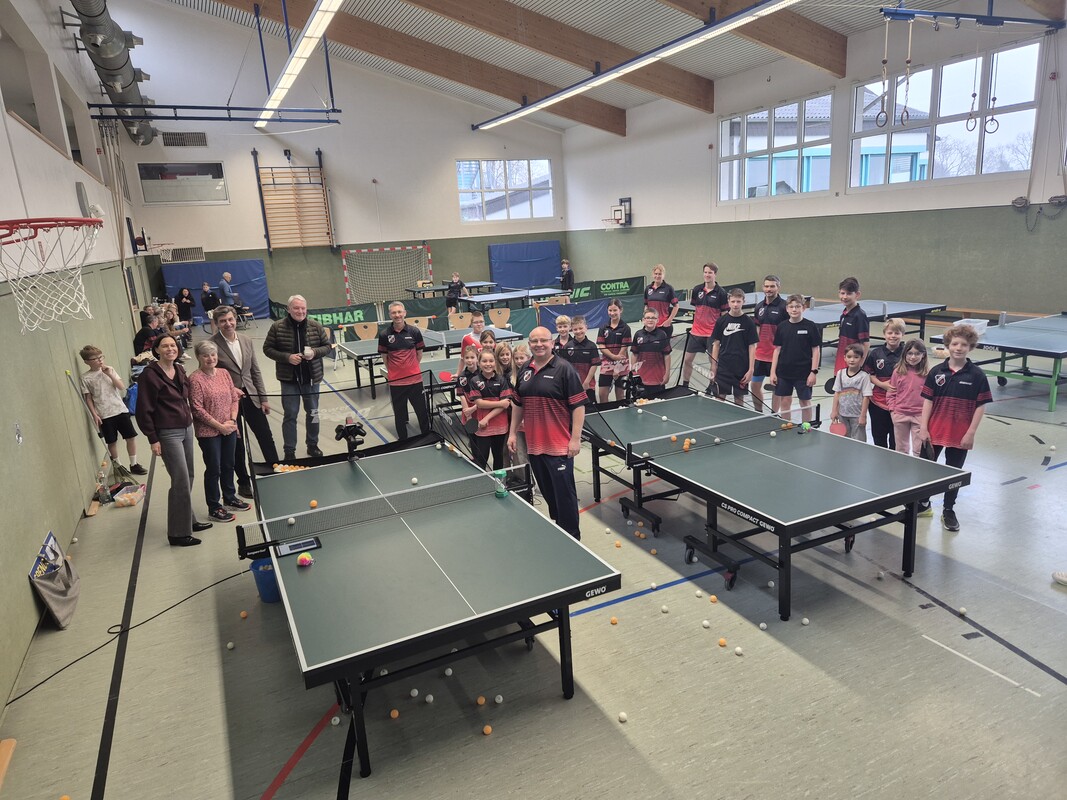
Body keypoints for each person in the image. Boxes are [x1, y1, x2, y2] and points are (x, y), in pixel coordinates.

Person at [508, 327, 586, 540]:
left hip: (559, 446)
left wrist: (575, 439)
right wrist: (512, 433)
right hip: (534, 446)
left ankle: (572, 539)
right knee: (549, 493)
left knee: (565, 496)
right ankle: (560, 530)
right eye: (534, 341)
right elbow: (517, 404)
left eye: (543, 340)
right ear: (529, 344)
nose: (539, 344)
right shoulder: (525, 369)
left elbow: (579, 406)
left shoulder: (564, 369)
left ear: (552, 343)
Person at [134, 335, 212, 547]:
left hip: (186, 428)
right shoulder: (149, 375)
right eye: (165, 346)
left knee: (189, 475)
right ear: (156, 350)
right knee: (180, 479)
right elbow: (143, 410)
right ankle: (178, 533)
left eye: (173, 345)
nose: (170, 348)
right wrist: (153, 438)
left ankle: (188, 519)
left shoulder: (179, 369)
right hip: (168, 433)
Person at [918, 324, 991, 532]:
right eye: (955, 344)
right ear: (948, 346)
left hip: (960, 435)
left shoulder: (977, 375)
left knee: (953, 476)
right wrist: (923, 428)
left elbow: (980, 406)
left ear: (971, 347)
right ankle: (923, 503)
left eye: (964, 345)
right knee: (926, 469)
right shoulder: (936, 372)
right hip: (933, 432)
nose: (959, 348)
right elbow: (928, 401)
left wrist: (971, 433)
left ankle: (948, 510)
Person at [211, 305, 280, 496]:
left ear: (235, 319)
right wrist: (229, 389)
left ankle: (275, 469)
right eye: (223, 321)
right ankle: (243, 482)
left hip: (251, 395)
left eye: (230, 319)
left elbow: (255, 371)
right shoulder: (211, 345)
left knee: (265, 435)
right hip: (228, 401)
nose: (228, 323)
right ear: (217, 324)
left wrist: (263, 398)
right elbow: (211, 376)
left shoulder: (246, 340)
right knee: (236, 443)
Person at [263, 294, 331, 460]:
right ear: (288, 309)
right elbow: (267, 349)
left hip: (311, 379)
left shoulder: (315, 326)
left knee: (313, 413)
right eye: (296, 308)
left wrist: (314, 352)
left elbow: (327, 346)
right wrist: (287, 357)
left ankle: (312, 445)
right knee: (290, 415)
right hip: (289, 380)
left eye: (303, 308)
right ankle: (289, 451)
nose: (300, 311)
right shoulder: (277, 327)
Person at [189, 340, 249, 523]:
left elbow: (234, 397)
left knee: (229, 464)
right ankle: (214, 507)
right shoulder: (195, 379)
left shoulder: (224, 373)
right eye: (205, 355)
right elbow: (197, 409)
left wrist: (232, 420)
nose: (210, 358)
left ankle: (229, 497)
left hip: (229, 427)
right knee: (214, 468)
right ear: (198, 357)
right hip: (209, 432)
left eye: (213, 354)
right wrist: (220, 426)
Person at [78, 345, 148, 476]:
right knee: (112, 441)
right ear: (87, 362)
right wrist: (94, 414)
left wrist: (110, 374)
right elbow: (88, 398)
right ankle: (118, 467)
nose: (100, 360)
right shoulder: (85, 378)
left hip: (120, 409)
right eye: (95, 359)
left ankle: (134, 464)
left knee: (130, 437)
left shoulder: (110, 370)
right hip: (104, 413)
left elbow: (121, 386)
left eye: (101, 357)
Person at [379, 301, 429, 440]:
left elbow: (419, 354)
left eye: (399, 312)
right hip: (396, 382)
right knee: (400, 415)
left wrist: (411, 368)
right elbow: (385, 357)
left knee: (422, 412)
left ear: (404, 313)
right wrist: (395, 372)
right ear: (390, 315)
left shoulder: (414, 332)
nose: (397, 315)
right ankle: (403, 441)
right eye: (394, 312)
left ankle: (426, 437)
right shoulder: (384, 334)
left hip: (415, 380)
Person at [768, 294, 821, 423]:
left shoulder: (810, 326)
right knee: (785, 401)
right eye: (791, 307)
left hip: (803, 373)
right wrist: (773, 372)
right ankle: (787, 426)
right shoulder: (782, 326)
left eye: (797, 306)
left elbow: (816, 350)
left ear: (803, 308)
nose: (794, 309)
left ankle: (806, 427)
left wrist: (813, 372)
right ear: (787, 309)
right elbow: (777, 350)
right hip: (784, 372)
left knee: (805, 402)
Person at [682, 263, 728, 388]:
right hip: (696, 332)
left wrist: (721, 334)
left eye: (710, 273)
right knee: (687, 360)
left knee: (713, 362)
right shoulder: (697, 289)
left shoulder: (721, 293)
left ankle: (712, 385)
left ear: (715, 274)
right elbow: (696, 309)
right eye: (705, 272)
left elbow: (724, 314)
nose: (707, 275)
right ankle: (685, 384)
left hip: (712, 333)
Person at [710, 289, 758, 405]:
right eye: (733, 301)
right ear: (728, 302)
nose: (735, 304)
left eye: (738, 301)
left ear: (743, 301)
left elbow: (752, 346)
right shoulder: (721, 321)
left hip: (742, 367)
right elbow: (716, 344)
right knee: (719, 398)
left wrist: (751, 369)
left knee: (739, 399)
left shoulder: (749, 322)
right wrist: (713, 365)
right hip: (724, 366)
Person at [468, 347, 513, 470]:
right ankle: (482, 480)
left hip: (499, 426)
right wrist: (500, 403)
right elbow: (479, 403)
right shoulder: (475, 381)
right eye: (484, 361)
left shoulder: (501, 380)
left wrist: (486, 418)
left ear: (495, 362)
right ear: (479, 363)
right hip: (482, 427)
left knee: (498, 456)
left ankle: (498, 480)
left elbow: (505, 405)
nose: (488, 364)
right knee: (482, 457)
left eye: (491, 361)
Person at [864, 318, 905, 449]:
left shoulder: (907, 353)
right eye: (890, 333)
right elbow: (870, 375)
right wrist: (882, 385)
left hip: (900, 404)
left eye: (897, 333)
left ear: (902, 334)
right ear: (884, 334)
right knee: (879, 437)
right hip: (878, 402)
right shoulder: (875, 353)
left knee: (896, 439)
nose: (893, 336)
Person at [751, 275, 787, 413]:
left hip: (777, 355)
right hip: (760, 354)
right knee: (754, 385)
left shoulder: (784, 307)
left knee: (776, 387)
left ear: (778, 287)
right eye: (766, 286)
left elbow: (787, 330)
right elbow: (757, 328)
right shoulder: (759, 306)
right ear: (763, 287)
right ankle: (758, 412)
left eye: (772, 286)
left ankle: (774, 414)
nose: (769, 289)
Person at [888, 339, 929, 457]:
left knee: (919, 449)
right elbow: (891, 393)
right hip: (900, 414)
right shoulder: (898, 371)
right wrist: (893, 411)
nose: (913, 357)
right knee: (901, 449)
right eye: (910, 353)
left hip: (920, 416)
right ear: (904, 354)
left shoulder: (928, 374)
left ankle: (917, 468)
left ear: (923, 355)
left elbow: (931, 398)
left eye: (917, 354)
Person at [831, 343, 872, 442]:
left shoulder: (864, 376)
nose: (852, 360)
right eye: (849, 357)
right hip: (842, 414)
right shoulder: (840, 373)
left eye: (856, 357)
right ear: (844, 358)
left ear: (862, 359)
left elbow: (866, 397)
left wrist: (863, 416)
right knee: (844, 441)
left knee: (858, 442)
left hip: (857, 415)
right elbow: (837, 393)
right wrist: (834, 411)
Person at [630, 307, 673, 397]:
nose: (650, 320)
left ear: (657, 320)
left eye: (653, 318)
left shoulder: (662, 335)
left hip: (658, 379)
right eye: (648, 318)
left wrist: (667, 373)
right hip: (641, 379)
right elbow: (634, 354)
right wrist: (633, 371)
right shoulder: (638, 334)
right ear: (643, 320)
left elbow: (667, 355)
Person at [559, 315, 601, 403]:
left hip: (588, 385)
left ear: (586, 328)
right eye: (575, 329)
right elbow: (565, 366)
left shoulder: (592, 346)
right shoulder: (567, 346)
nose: (578, 331)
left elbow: (594, 365)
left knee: (591, 409)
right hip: (573, 386)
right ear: (572, 329)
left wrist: (586, 382)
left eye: (581, 328)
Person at [597, 299, 631, 403]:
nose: (612, 313)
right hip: (606, 365)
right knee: (602, 395)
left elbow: (624, 348)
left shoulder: (625, 328)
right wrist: (612, 356)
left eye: (615, 310)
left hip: (621, 365)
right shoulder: (603, 328)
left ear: (621, 310)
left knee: (620, 395)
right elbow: (601, 345)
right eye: (610, 310)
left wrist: (617, 367)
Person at [835, 276, 870, 372]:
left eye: (849, 293)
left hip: (853, 363)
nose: (845, 297)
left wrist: (860, 364)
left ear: (857, 294)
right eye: (842, 293)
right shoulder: (844, 314)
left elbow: (865, 343)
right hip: (841, 360)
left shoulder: (860, 316)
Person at [644, 264, 679, 333]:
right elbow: (646, 306)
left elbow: (676, 306)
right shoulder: (648, 288)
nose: (657, 276)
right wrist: (646, 319)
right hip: (651, 325)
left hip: (663, 325)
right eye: (656, 274)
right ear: (652, 275)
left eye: (660, 274)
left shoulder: (668, 288)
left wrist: (669, 321)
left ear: (663, 275)